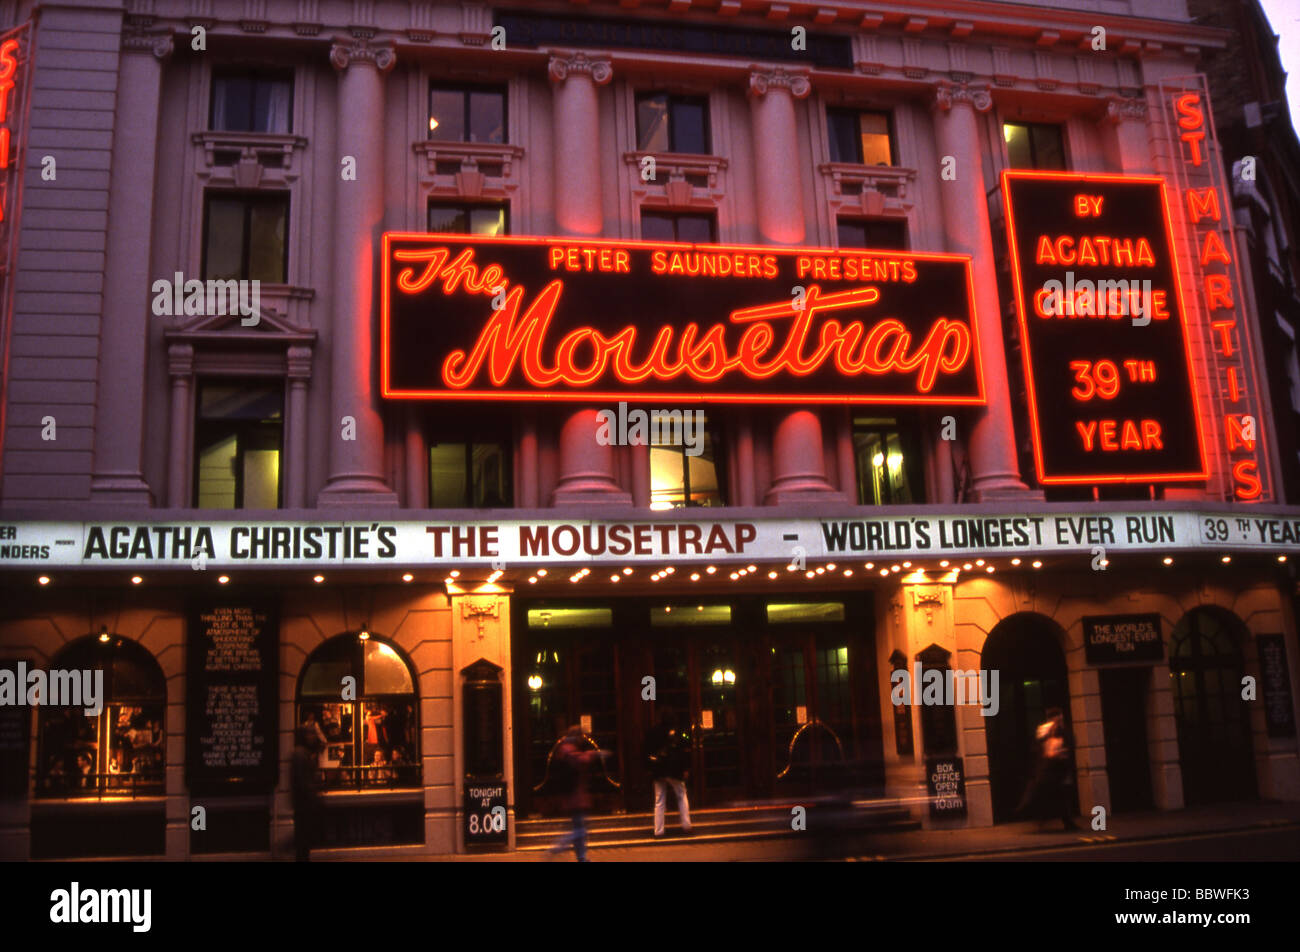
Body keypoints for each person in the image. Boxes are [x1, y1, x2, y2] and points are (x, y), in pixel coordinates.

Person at [1015, 706, 1078, 830]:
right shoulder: (1046, 732)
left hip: (1059, 770)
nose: (1057, 721)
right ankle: (1049, 819)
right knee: (1054, 795)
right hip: (1050, 770)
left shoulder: (1063, 732)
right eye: (1055, 719)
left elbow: (1069, 746)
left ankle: (1056, 820)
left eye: (1059, 718)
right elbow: (1038, 749)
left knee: (1060, 796)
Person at [547, 725, 602, 861]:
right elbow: (580, 760)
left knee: (578, 828)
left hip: (573, 796)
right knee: (579, 830)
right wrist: (593, 754)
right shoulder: (568, 749)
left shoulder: (564, 747)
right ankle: (557, 847)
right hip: (574, 797)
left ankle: (581, 857)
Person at [644, 710, 693, 838]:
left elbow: (646, 751)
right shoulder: (676, 732)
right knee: (681, 795)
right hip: (674, 769)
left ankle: (658, 830)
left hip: (658, 769)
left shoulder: (652, 732)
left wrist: (649, 768)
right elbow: (683, 752)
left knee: (659, 800)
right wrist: (685, 768)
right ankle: (686, 825)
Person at [292, 725, 325, 861]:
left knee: (304, 840)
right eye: (309, 734)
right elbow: (303, 781)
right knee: (303, 839)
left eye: (313, 734)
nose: (312, 737)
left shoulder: (303, 752)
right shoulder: (300, 754)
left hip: (304, 804)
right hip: (304, 804)